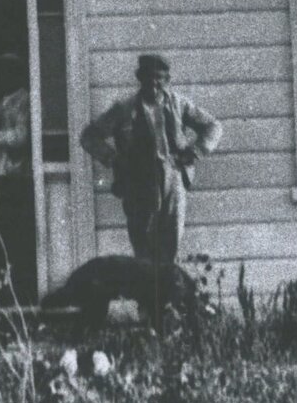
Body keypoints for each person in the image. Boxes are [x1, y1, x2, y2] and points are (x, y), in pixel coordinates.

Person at [79, 53, 222, 266]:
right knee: (143, 243)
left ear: (167, 79)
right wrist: (114, 159)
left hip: (173, 177)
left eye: (159, 77)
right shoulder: (125, 108)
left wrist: (194, 152)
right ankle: (147, 296)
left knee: (171, 241)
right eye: (148, 77)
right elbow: (89, 136)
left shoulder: (179, 104)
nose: (154, 83)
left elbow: (213, 126)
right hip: (138, 180)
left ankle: (167, 295)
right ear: (139, 77)